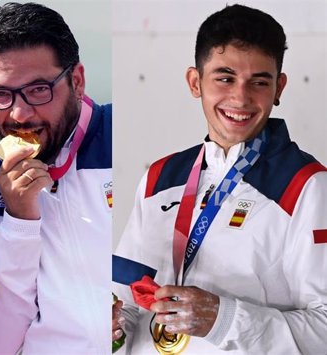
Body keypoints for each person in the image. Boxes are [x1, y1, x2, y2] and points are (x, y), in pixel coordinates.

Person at [112, 4, 327, 354]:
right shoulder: (159, 177)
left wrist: (222, 320)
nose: (240, 97)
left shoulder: (307, 185)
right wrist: (112, 331)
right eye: (225, 78)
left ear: (279, 87)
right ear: (195, 82)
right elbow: (128, 302)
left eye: (259, 81)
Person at [0, 2, 113, 353]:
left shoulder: (132, 133)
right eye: (0, 94)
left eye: (38, 89)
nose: (19, 113)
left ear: (76, 81)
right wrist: (19, 223)